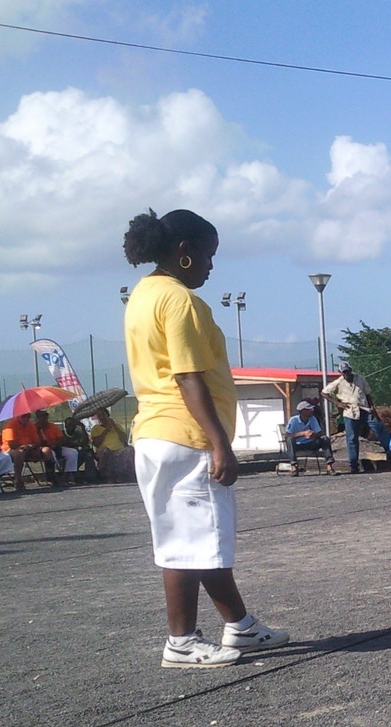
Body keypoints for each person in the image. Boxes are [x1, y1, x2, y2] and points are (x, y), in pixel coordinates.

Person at [122, 206, 288, 668]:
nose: (213, 267)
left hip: (155, 432)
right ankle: (182, 641)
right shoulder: (179, 301)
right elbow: (188, 375)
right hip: (186, 435)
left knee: (200, 538)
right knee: (186, 544)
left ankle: (240, 625)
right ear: (185, 252)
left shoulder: (144, 293)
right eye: (210, 256)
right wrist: (220, 443)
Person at [322, 361, 391, 474]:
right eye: (344, 372)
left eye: (348, 371)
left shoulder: (360, 379)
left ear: (351, 370)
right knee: (352, 438)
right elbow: (324, 393)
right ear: (341, 373)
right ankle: (354, 465)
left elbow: (367, 393)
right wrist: (338, 403)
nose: (346, 374)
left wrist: (372, 407)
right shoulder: (338, 382)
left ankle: (390, 452)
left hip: (364, 409)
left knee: (379, 427)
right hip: (350, 412)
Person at [1, 411, 58, 489]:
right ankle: (18, 480)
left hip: (29, 449)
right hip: (12, 450)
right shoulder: (10, 426)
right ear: (18, 416)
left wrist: (30, 446)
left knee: (46, 450)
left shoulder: (31, 426)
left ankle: (51, 477)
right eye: (24, 416)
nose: (26, 418)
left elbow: (37, 442)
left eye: (28, 416)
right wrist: (23, 447)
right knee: (19, 453)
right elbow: (12, 444)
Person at [284, 400, 335, 470]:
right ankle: (293, 465)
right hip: (298, 444)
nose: (312, 410)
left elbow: (319, 433)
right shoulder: (293, 420)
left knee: (325, 438)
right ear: (302, 411)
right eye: (309, 409)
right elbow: (287, 435)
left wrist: (313, 435)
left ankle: (330, 466)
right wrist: (302, 434)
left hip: (310, 443)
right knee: (290, 440)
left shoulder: (313, 419)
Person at [89, 407, 136, 483]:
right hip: (106, 450)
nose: (101, 417)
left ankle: (125, 476)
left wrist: (114, 426)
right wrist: (106, 430)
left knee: (129, 450)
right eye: (99, 416)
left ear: (107, 415)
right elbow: (96, 443)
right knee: (105, 452)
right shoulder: (96, 428)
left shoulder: (117, 426)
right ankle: (109, 477)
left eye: (103, 415)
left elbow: (124, 439)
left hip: (119, 450)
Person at [33, 409, 79, 486]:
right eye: (42, 416)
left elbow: (61, 438)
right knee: (50, 453)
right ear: (38, 417)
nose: (44, 418)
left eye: (46, 416)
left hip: (56, 447)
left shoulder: (53, 426)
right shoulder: (34, 428)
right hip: (42, 449)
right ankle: (52, 478)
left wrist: (55, 444)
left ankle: (67, 476)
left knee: (73, 452)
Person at [62, 416, 99, 483]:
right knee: (72, 456)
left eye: (73, 425)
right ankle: (76, 478)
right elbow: (67, 444)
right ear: (65, 426)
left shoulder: (78, 433)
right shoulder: (62, 434)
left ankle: (91, 477)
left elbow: (85, 442)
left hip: (78, 455)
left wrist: (83, 428)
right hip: (66, 459)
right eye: (69, 425)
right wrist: (77, 444)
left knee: (88, 455)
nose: (71, 427)